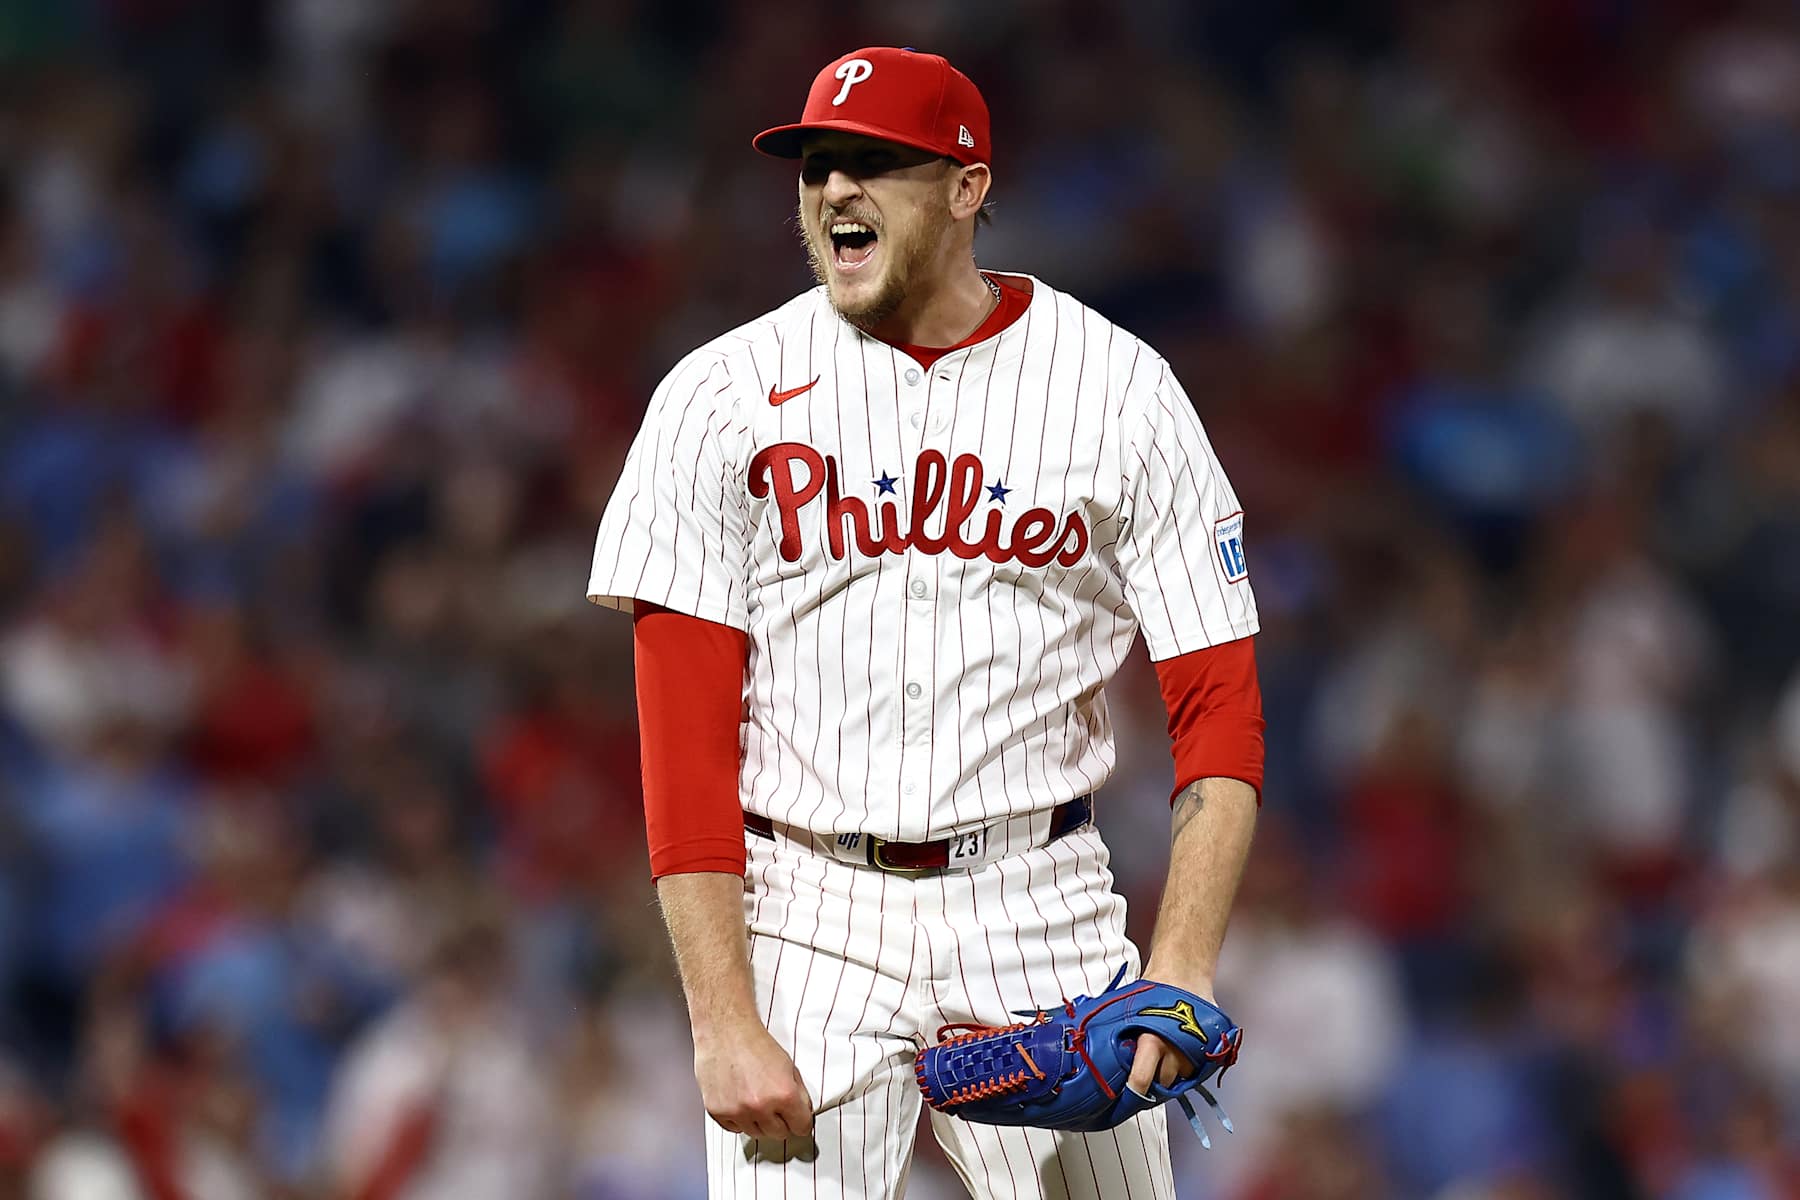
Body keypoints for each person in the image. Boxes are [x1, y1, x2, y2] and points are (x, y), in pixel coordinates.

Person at [587, 46, 1265, 1199]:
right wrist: (720, 1019)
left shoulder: (1119, 390)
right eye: (817, 167)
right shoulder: (720, 395)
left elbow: (1218, 709)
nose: (834, 191)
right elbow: (683, 740)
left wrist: (1184, 962)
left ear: (965, 189)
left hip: (1037, 902)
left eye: (876, 165)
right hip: (804, 910)